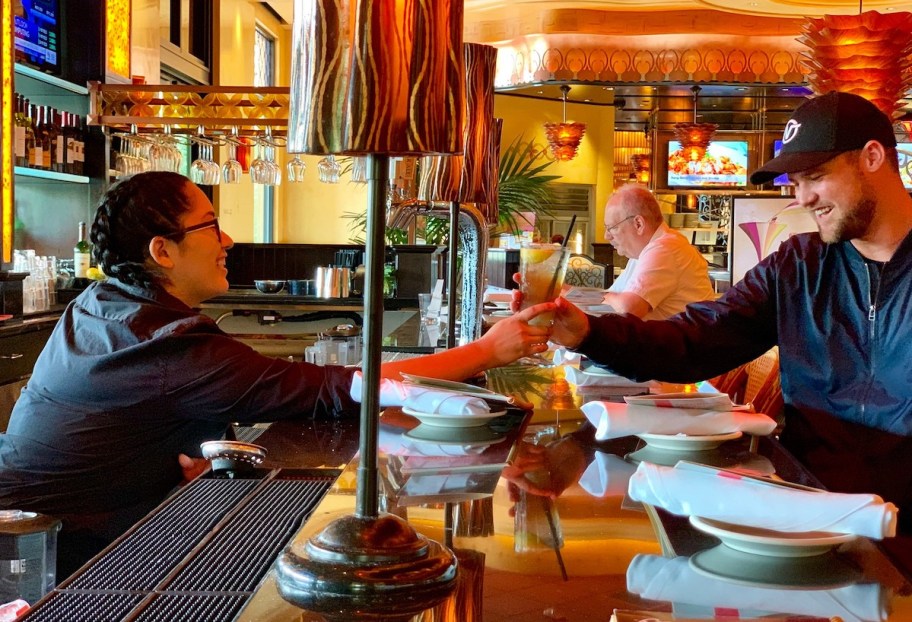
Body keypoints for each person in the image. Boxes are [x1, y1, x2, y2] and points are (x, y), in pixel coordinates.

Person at [0, 171, 556, 578]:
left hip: (44, 526)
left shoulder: (102, 304)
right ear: (162, 252)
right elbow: (344, 391)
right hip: (56, 560)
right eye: (212, 226)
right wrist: (487, 351)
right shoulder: (167, 343)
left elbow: (125, 423)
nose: (228, 241)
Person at [518, 91, 912, 533]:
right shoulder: (798, 266)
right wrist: (588, 333)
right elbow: (696, 339)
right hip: (808, 509)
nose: (802, 198)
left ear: (873, 157)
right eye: (795, 183)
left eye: (815, 177)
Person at [601, 184, 715, 319]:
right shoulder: (642, 252)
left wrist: (598, 297)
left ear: (639, 224)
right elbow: (613, 299)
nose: (606, 236)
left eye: (611, 228)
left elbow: (628, 309)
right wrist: (574, 294)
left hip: (677, 339)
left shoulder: (665, 248)